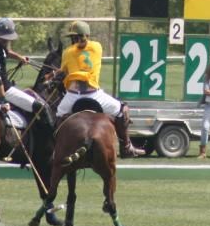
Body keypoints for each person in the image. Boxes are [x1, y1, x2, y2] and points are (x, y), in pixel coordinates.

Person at [54, 20, 145, 158]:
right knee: (122, 110)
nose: (75, 40)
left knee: (59, 115)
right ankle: (126, 147)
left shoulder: (82, 50)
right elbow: (66, 67)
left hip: (82, 95)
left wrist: (58, 74)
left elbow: (65, 71)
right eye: (73, 38)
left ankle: (126, 146)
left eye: (76, 37)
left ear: (85, 36)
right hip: (84, 95)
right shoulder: (85, 49)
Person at [0, 17, 44, 119]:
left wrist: (20, 58)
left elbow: (6, 52)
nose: (6, 40)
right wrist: (3, 100)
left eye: (7, 38)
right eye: (4, 38)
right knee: (38, 106)